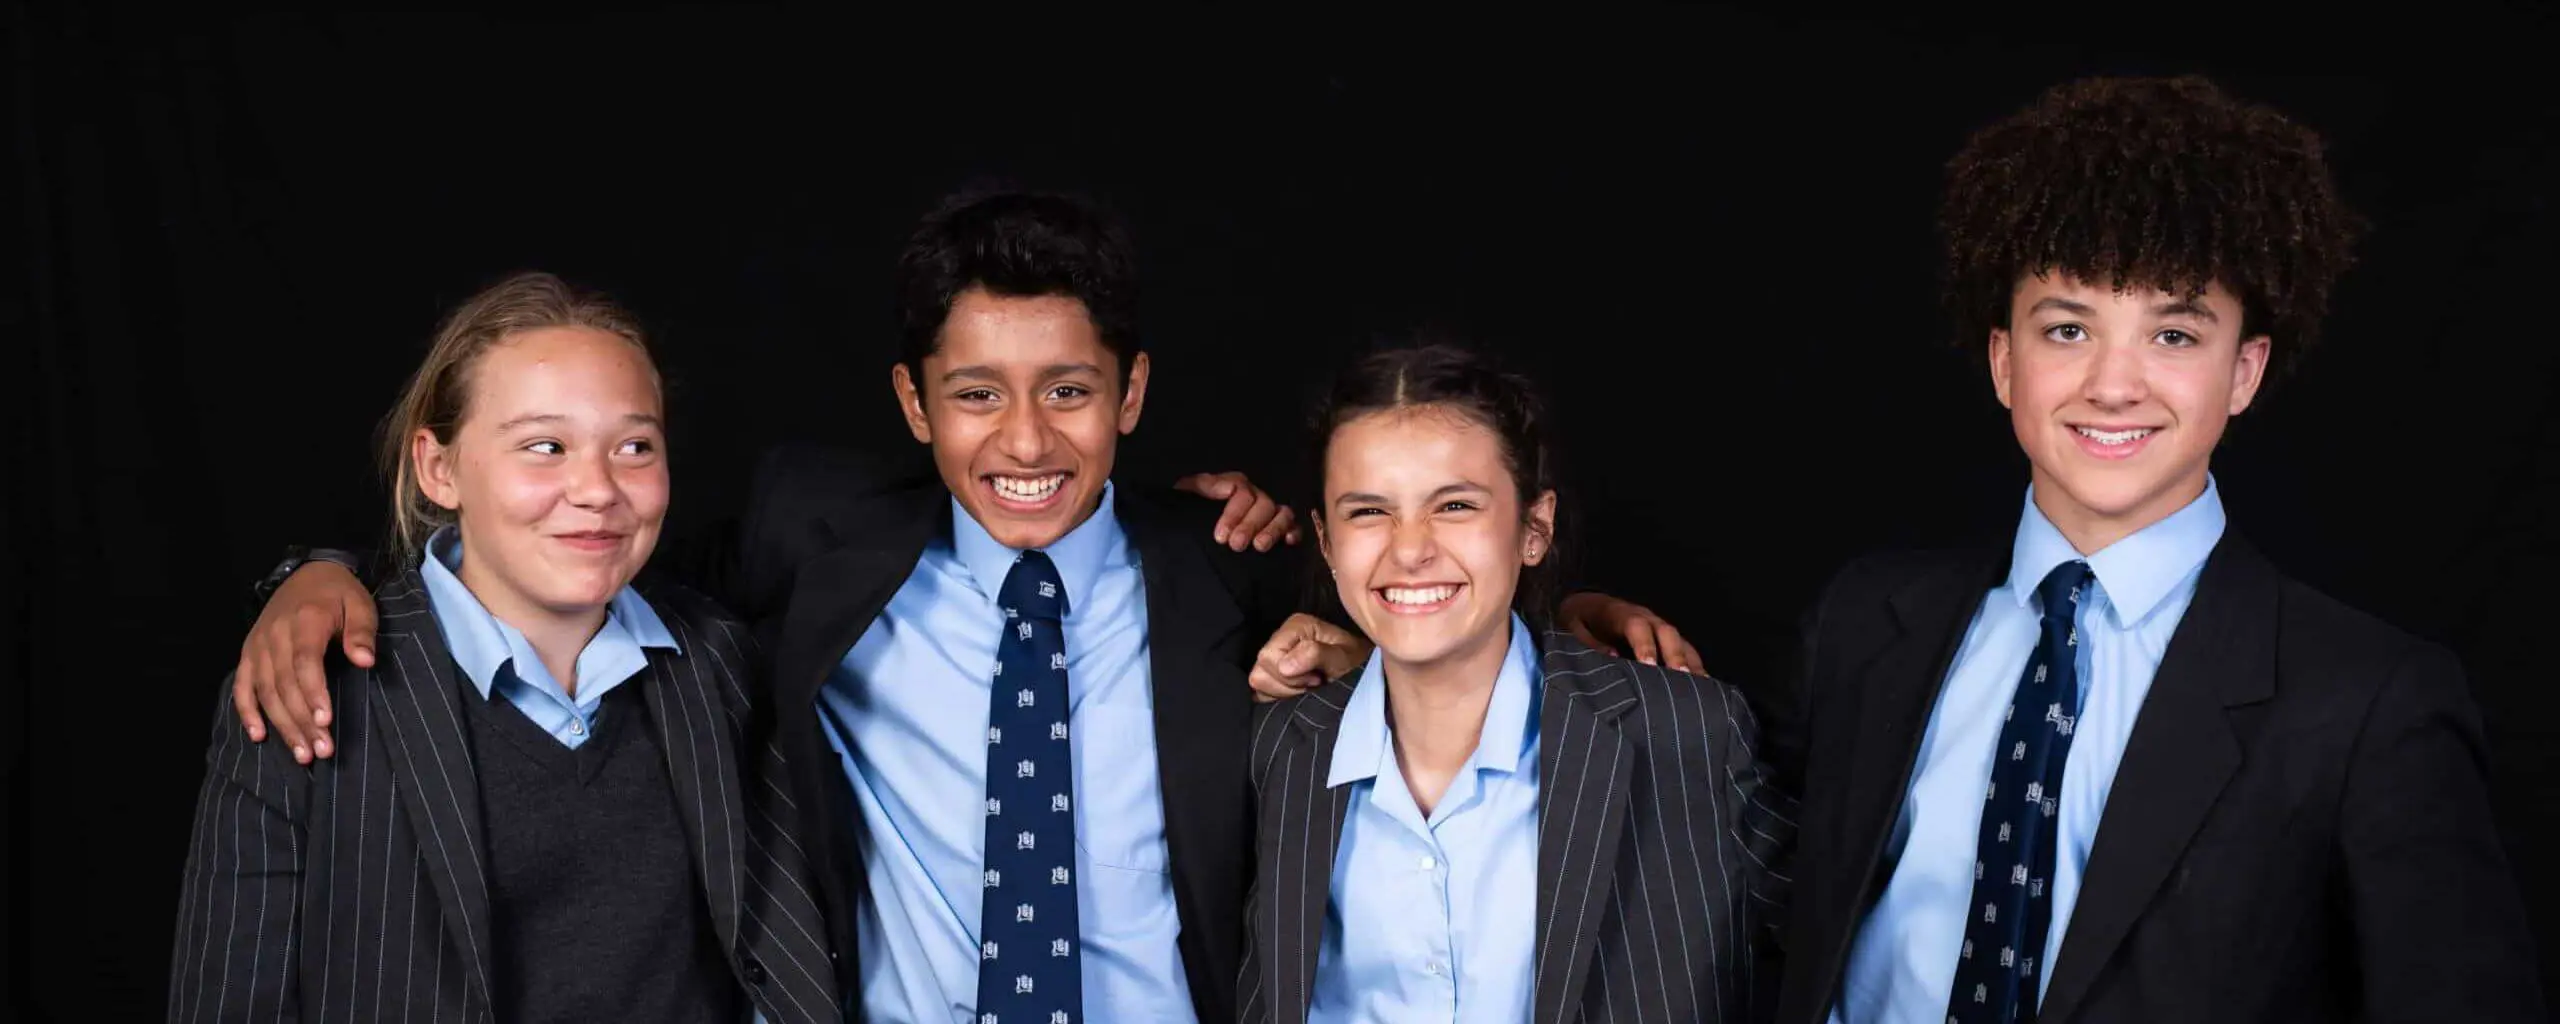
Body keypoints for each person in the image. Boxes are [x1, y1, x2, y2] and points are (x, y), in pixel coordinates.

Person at [224, 188, 1693, 1022]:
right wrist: (324, 575)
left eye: (1069, 391)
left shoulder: (1232, 570)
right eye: (976, 396)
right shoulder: (812, 548)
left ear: (1133, 395)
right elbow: (564, 558)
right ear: (912, 408)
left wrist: (1576, 610)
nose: (1027, 443)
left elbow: (1430, 592)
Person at [1771, 76, 2545, 1023]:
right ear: (2004, 361)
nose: (2114, 385)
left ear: (2244, 372)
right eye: (2068, 329)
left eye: (2173, 333)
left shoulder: (2368, 704)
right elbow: (1714, 883)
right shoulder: (1864, 624)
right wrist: (1593, 645)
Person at [168, 272, 840, 1022]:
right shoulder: (313, 694)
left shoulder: (719, 664)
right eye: (544, 446)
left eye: (634, 445)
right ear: (439, 468)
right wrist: (309, 573)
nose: (596, 488)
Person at [1239, 341, 1793, 1024]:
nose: (1410, 549)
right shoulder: (1276, 753)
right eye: (1369, 511)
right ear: (1326, 543)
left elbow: (1846, 953)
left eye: (1455, 506)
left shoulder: (1686, 737)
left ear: (1534, 527)